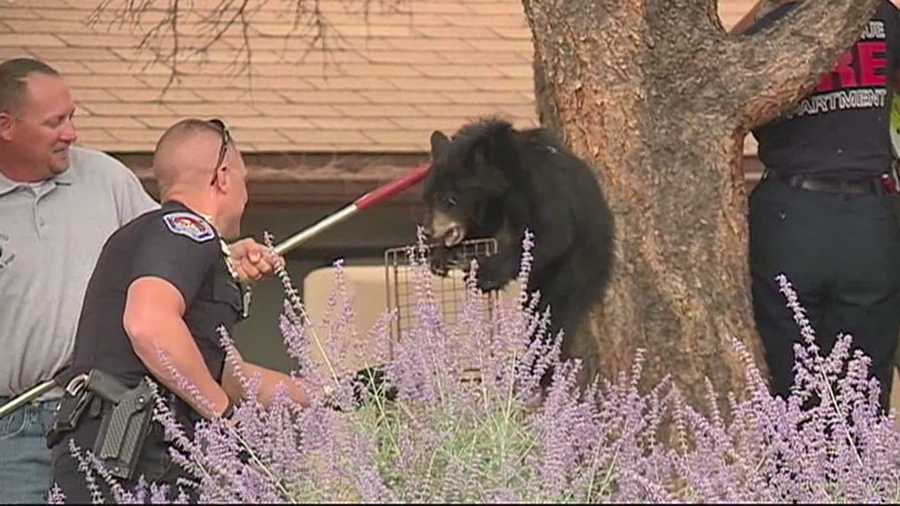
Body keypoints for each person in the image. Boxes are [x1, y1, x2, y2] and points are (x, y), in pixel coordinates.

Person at [0, 58, 275, 503]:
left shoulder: (104, 178)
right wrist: (224, 417)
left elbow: (173, 244)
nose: (71, 133)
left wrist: (224, 254)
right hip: (11, 424)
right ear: (6, 126)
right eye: (55, 122)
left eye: (72, 116)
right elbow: (151, 320)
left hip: (106, 414)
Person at [48, 118, 313, 502]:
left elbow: (225, 374)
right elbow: (149, 325)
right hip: (128, 458)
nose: (246, 192)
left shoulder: (168, 238)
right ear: (223, 177)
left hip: (130, 461)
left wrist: (327, 394)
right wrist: (224, 419)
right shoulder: (186, 229)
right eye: (244, 178)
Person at [735, 1, 900, 409]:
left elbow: (726, 100)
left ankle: (797, 468)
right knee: (863, 393)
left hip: (790, 216)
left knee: (790, 389)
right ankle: (856, 470)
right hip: (868, 219)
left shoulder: (767, 27)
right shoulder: (877, 14)